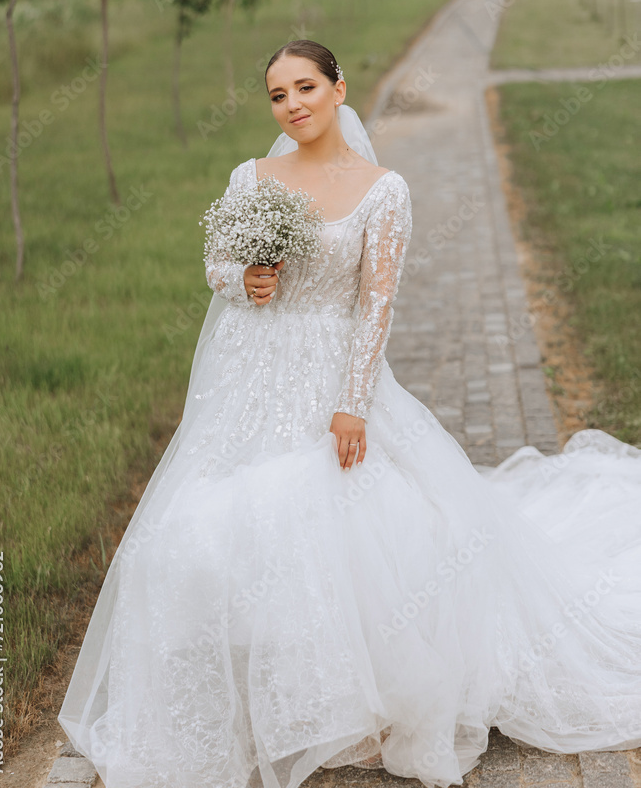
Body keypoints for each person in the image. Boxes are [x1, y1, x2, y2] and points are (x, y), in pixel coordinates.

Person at [58, 39, 641, 788]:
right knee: (215, 519)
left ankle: (360, 695)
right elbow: (216, 266)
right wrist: (246, 278)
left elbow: (376, 301)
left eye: (304, 87)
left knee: (345, 521)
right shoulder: (251, 177)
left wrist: (351, 405)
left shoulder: (381, 189)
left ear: (338, 89)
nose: (292, 104)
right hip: (251, 372)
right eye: (276, 95)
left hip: (332, 372)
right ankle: (254, 679)